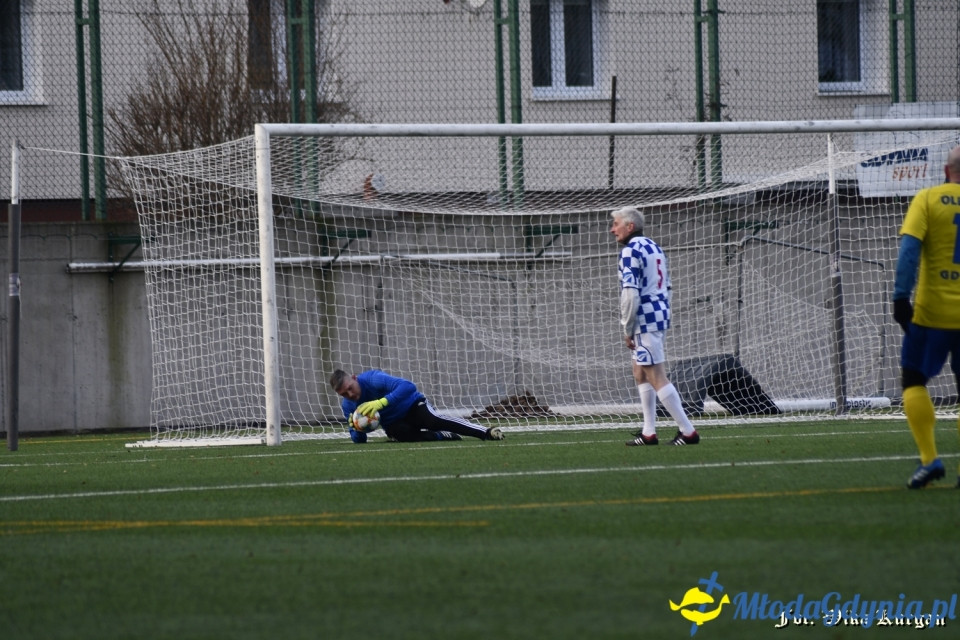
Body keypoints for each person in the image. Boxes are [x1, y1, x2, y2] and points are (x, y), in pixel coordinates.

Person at [892, 145, 960, 489]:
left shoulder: (928, 198)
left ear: (947, 172)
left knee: (913, 381)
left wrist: (900, 298)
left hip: (932, 315)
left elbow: (908, 252)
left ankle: (930, 460)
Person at [611, 206, 700, 447]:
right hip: (659, 313)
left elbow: (630, 293)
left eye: (616, 224)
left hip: (644, 318)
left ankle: (688, 430)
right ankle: (649, 432)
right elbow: (667, 285)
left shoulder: (630, 251)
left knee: (655, 375)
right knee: (639, 371)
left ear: (630, 226)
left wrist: (628, 328)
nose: (612, 229)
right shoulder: (654, 247)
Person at [329, 368, 504, 444]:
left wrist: (381, 402)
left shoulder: (373, 379)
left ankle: (485, 432)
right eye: (344, 394)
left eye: (350, 389)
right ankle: (441, 436)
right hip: (394, 423)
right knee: (401, 435)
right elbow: (360, 441)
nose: (350, 395)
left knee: (433, 419)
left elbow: (408, 386)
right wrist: (357, 430)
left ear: (354, 378)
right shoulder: (348, 406)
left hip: (413, 405)